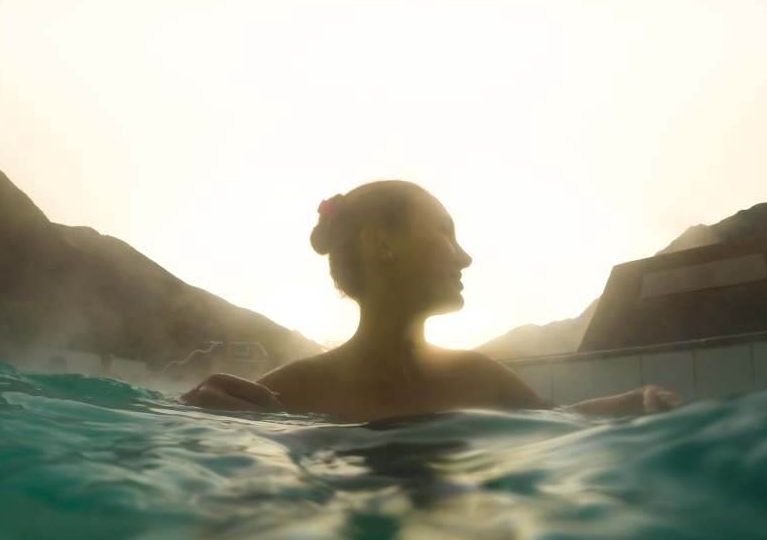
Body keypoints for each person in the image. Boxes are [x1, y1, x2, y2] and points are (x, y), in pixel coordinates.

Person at [183, 180, 682, 423]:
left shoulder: (479, 377)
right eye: (445, 231)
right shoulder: (284, 395)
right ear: (381, 244)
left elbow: (565, 419)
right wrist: (190, 414)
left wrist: (636, 401)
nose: (464, 257)